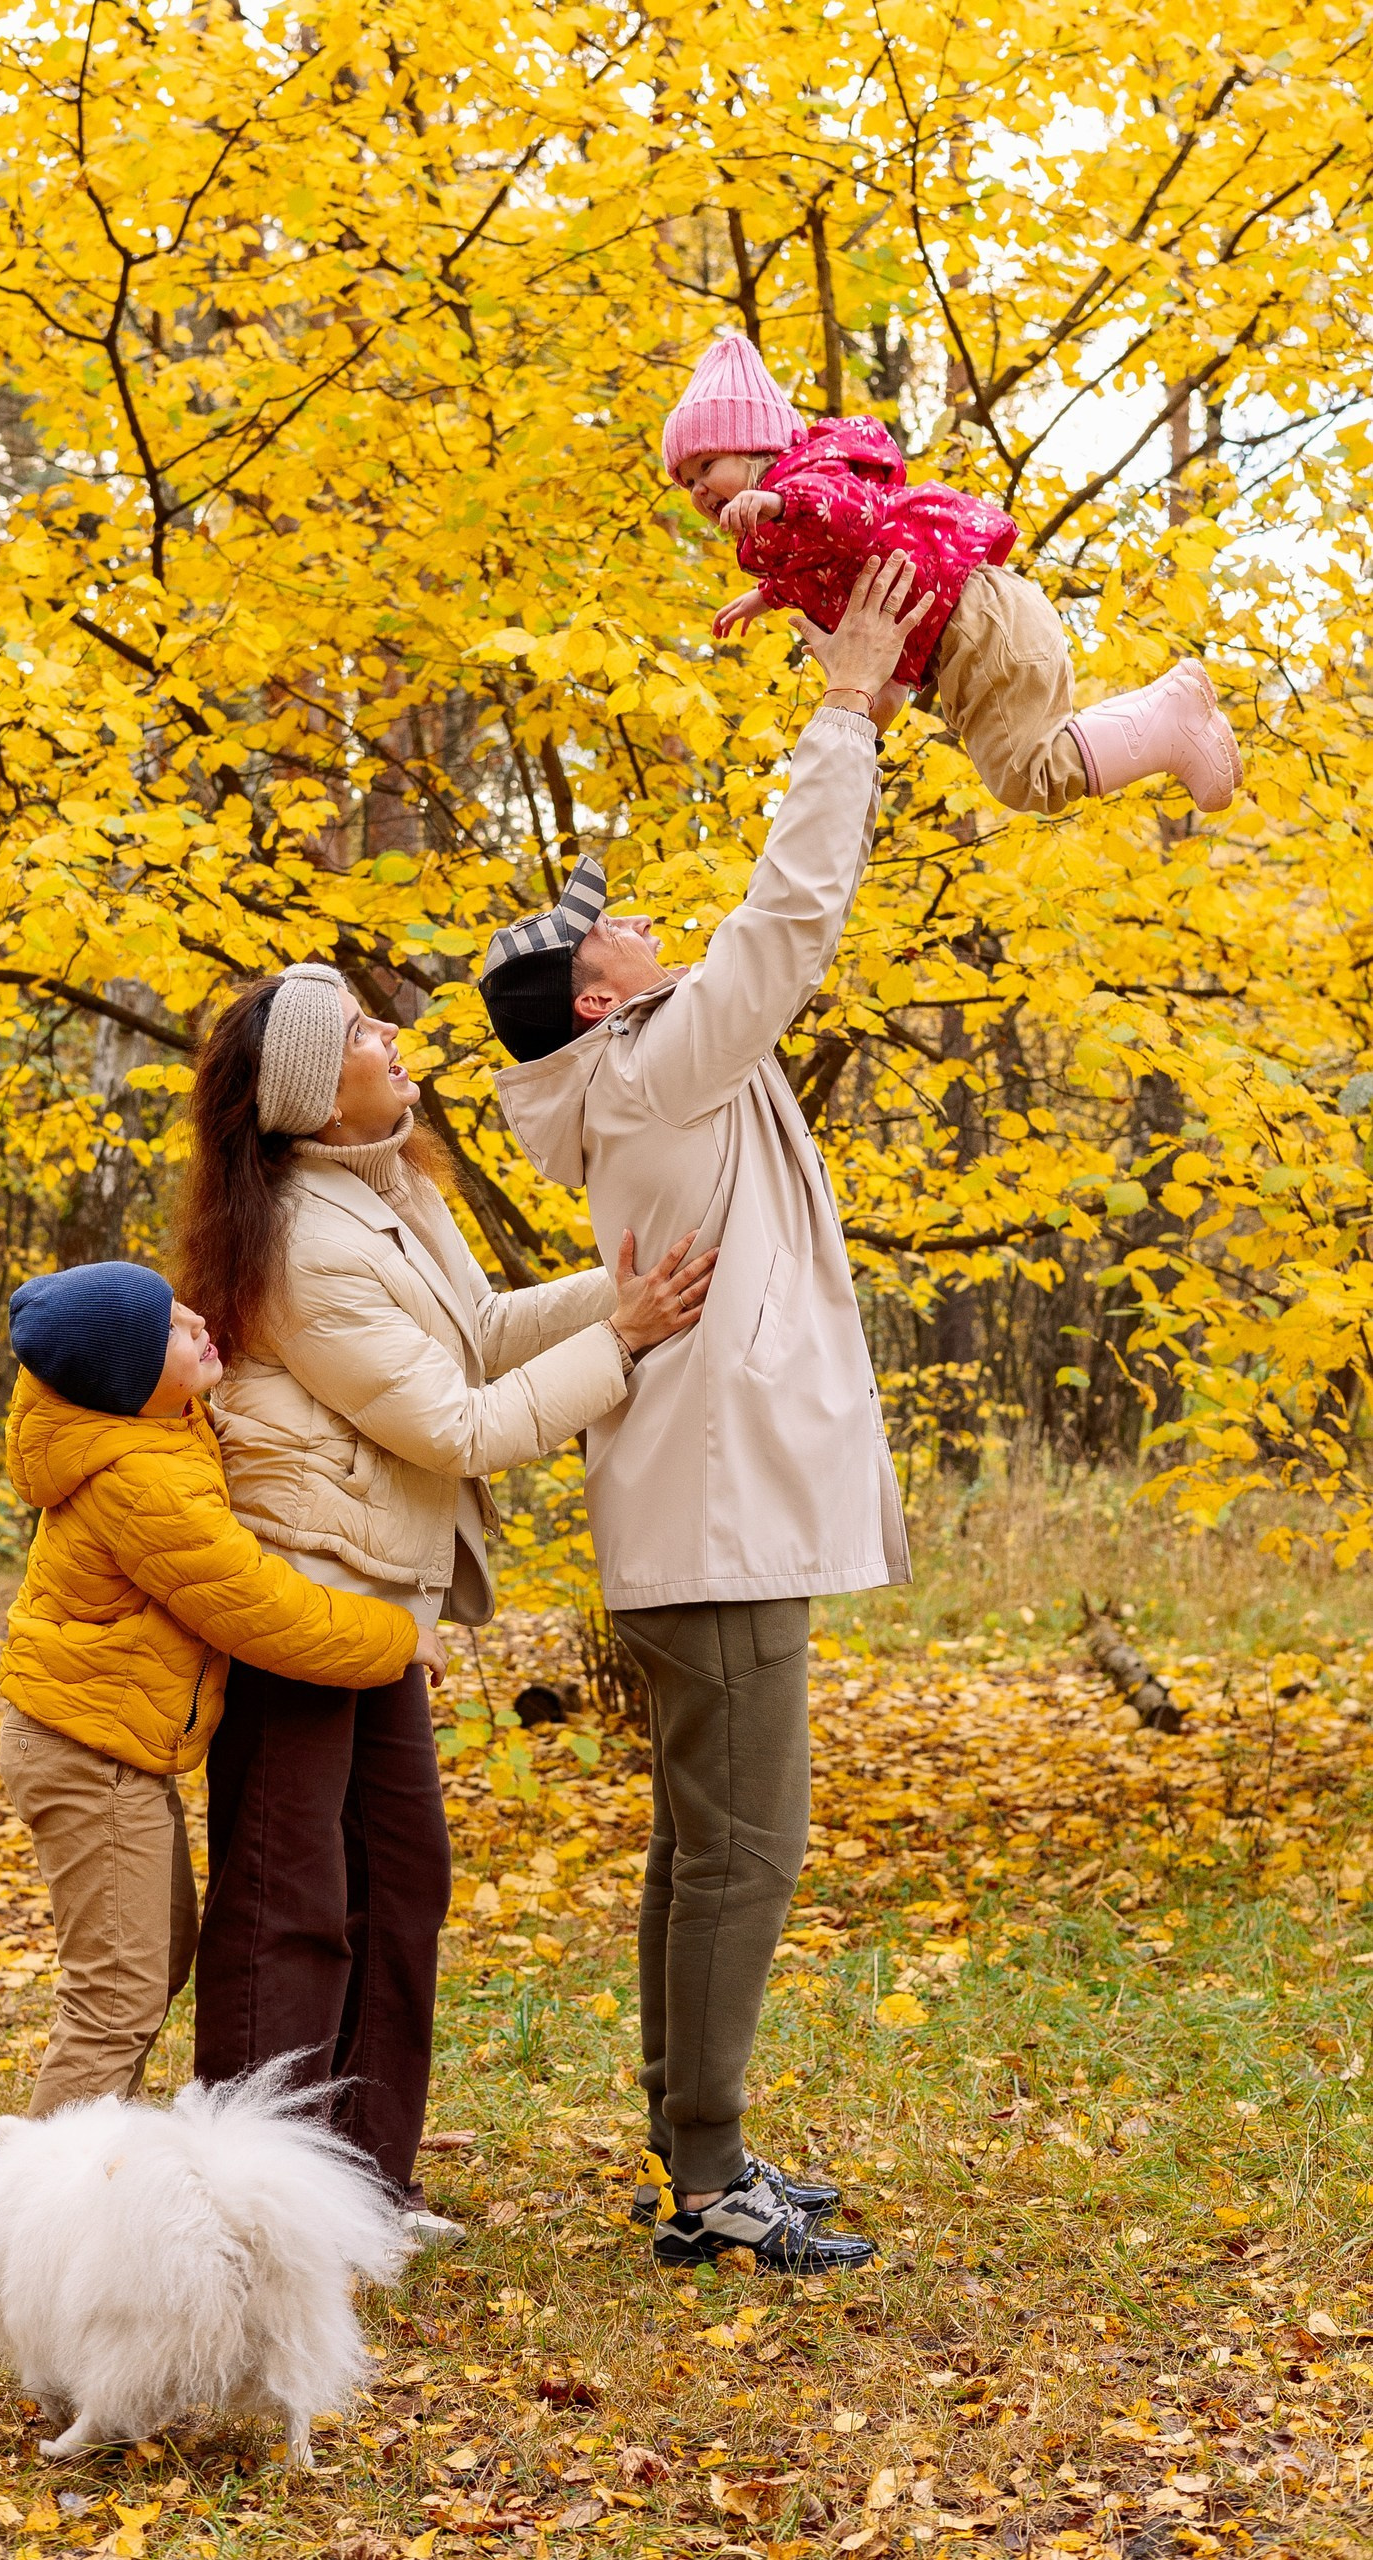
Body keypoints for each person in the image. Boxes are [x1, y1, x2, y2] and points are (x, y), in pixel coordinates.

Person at [479, 556, 939, 2275]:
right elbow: (788, 917)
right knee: (746, 1852)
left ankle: (695, 2143)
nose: (635, 921)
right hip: (714, 1521)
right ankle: (709, 2174)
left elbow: (770, 928)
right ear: (596, 999)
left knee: (698, 1846)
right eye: (607, 930)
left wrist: (852, 693)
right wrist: (843, 708)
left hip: (694, 1515)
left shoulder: (634, 1071)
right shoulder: (653, 1065)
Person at [177, 968, 715, 2246]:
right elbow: (457, 1427)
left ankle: (365, 2187)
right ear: (319, 1098)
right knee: (286, 1904)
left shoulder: (389, 1187)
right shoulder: (301, 1244)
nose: (391, 1036)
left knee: (400, 1881)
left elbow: (473, 1328)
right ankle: (247, 2216)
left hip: (379, 1602)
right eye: (363, 1033)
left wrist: (618, 1289)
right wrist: (622, 1344)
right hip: (304, 1598)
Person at [0, 1258, 440, 2120]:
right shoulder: (139, 1480)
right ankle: (45, 2190)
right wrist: (396, 1637)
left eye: (181, 1308)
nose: (198, 1323)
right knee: (117, 1994)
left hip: (109, 1742)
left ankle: (94, 2165)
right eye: (169, 1329)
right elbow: (258, 1609)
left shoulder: (155, 1425)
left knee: (155, 1959)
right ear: (127, 1381)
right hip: (88, 1756)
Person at [662, 330, 1241, 817]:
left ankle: (1170, 722)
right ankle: (1168, 713)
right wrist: (766, 596)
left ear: (757, 447)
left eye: (707, 466)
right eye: (686, 482)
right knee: (1033, 764)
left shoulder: (810, 479)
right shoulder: (788, 543)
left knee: (1027, 777)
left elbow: (847, 513)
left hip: (977, 622)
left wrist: (776, 503)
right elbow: (819, 566)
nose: (698, 490)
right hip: (978, 627)